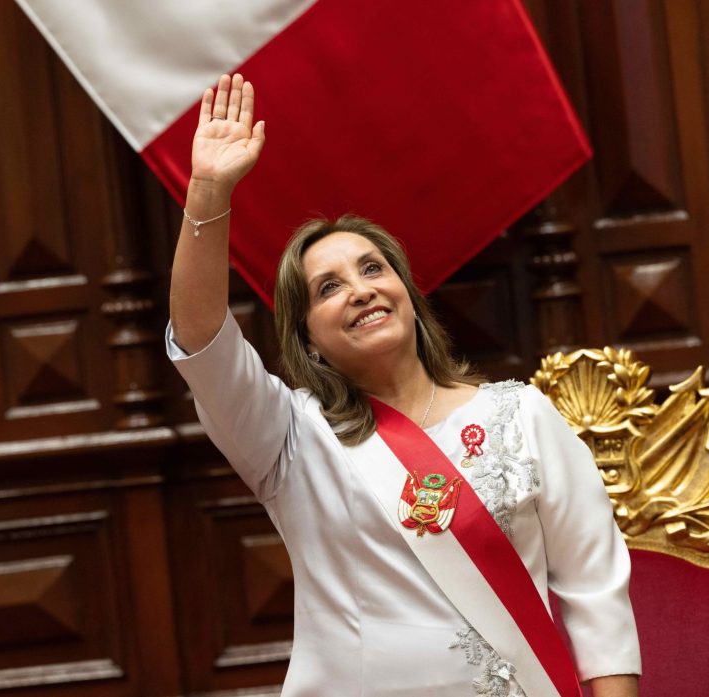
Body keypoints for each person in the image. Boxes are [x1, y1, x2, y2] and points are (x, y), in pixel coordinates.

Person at [168, 73, 640, 697]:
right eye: (328, 287)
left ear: (409, 299)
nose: (360, 288)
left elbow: (595, 595)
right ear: (306, 337)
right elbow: (202, 341)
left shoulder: (523, 415)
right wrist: (207, 193)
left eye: (372, 268)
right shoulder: (288, 436)